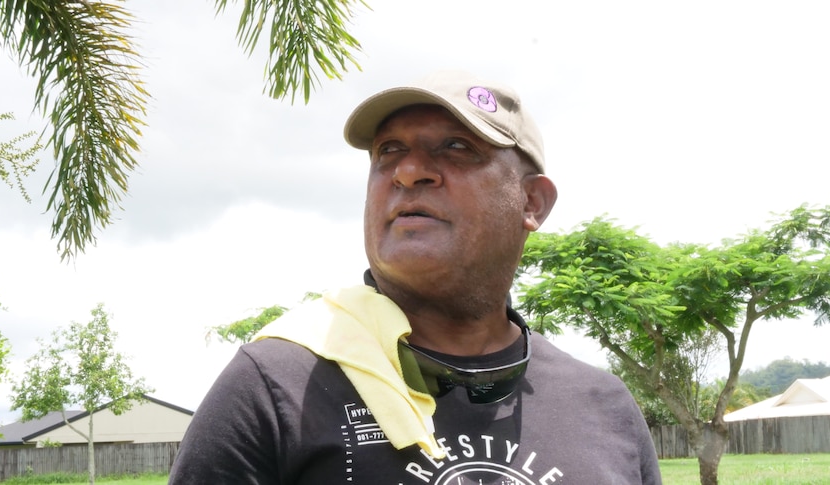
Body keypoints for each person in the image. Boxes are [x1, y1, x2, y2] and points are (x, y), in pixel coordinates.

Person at [168, 70, 662, 484]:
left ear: (531, 203)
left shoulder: (604, 407)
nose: (408, 171)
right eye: (388, 151)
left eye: (456, 147)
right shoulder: (275, 386)